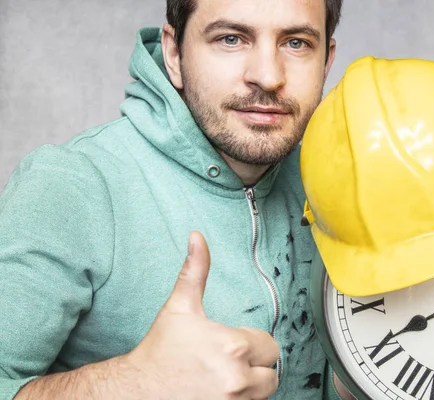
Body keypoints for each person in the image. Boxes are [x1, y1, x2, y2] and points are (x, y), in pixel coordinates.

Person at [0, 0, 354, 399]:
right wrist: (130, 386)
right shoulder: (73, 183)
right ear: (173, 52)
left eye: (296, 43)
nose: (268, 76)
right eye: (231, 39)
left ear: (327, 61)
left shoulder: (343, 186)